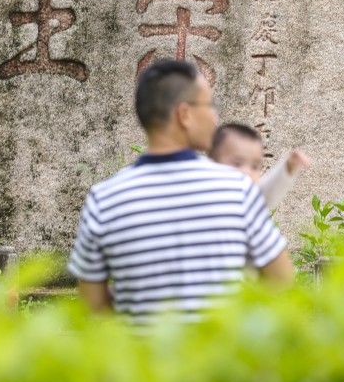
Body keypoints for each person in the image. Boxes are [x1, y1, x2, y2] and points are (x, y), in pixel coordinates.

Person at [68, 60, 294, 323]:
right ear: (184, 114)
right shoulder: (236, 189)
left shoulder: (104, 199)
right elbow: (282, 280)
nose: (215, 117)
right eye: (209, 105)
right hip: (221, 359)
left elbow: (93, 305)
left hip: (140, 363)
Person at [208, 123, 311, 210]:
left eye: (254, 166)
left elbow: (267, 193)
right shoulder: (206, 198)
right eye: (237, 163)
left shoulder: (248, 202)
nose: (247, 171)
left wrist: (288, 166)